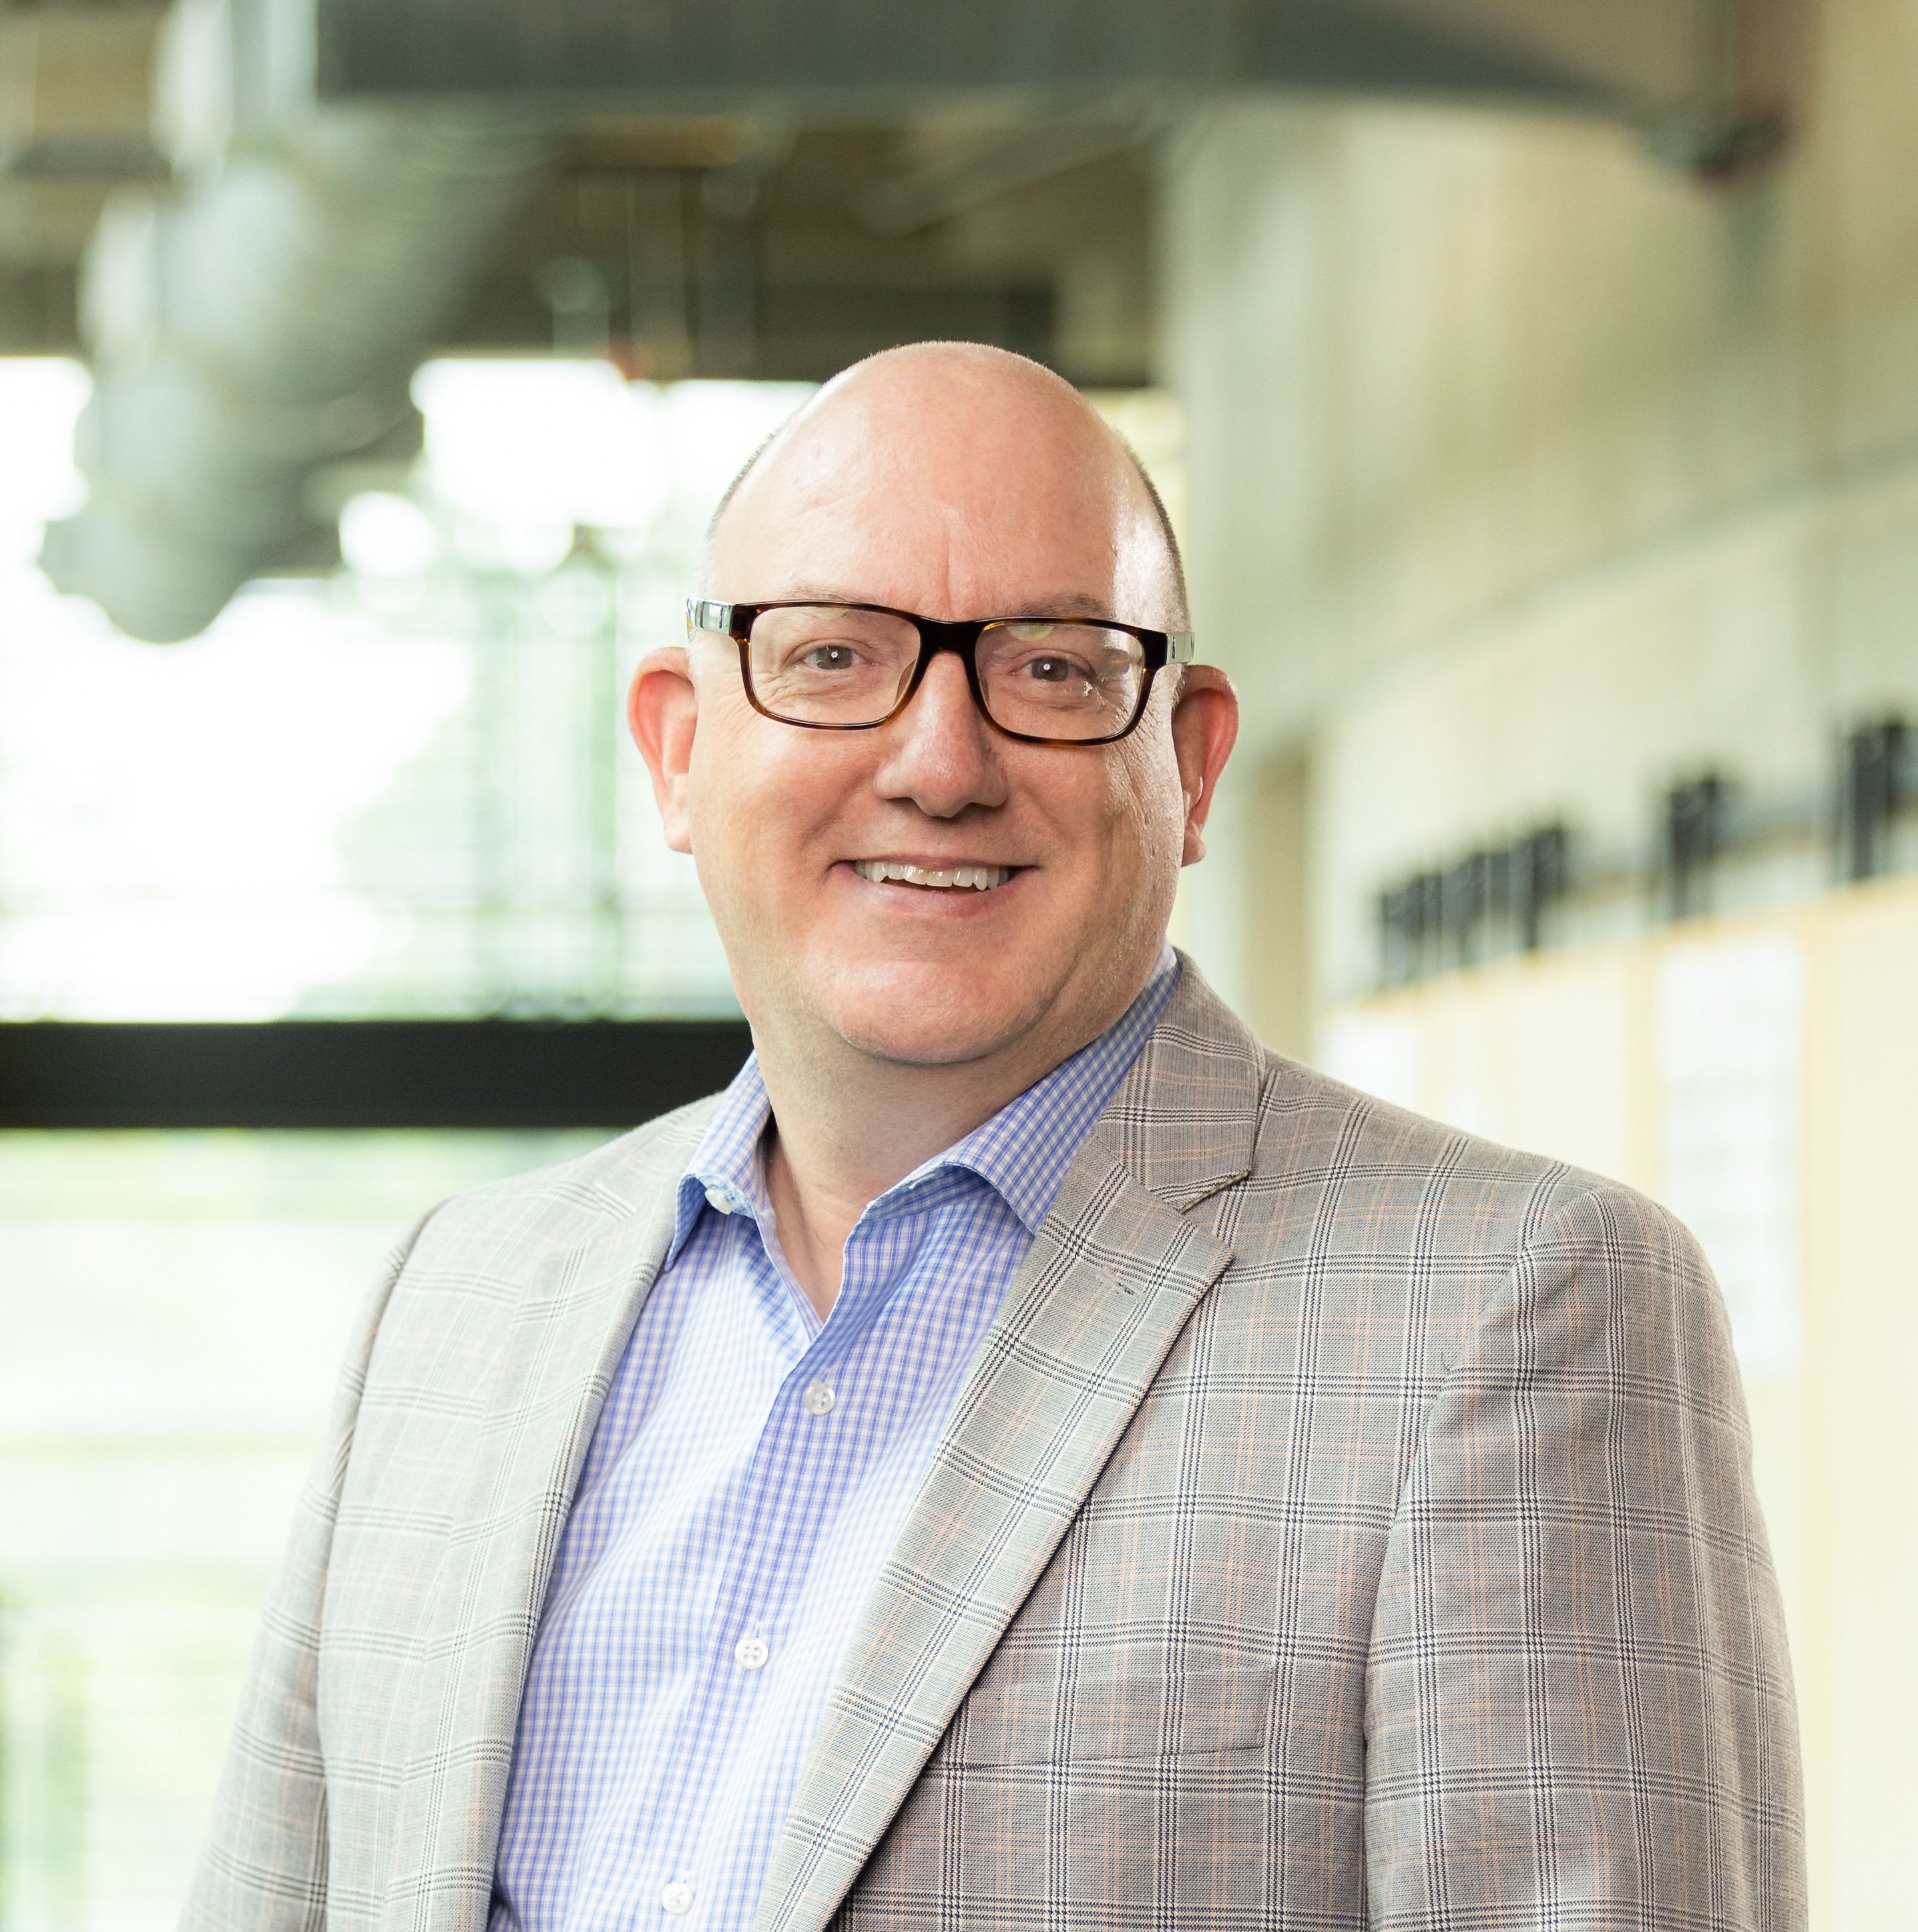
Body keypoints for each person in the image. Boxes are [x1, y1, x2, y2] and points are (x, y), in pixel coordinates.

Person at [185, 342, 1803, 1932]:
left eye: (1053, 666)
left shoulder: (1512, 1311)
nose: (941, 763)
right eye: (829, 657)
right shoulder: (457, 1301)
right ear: (679, 746)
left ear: (1187, 755)